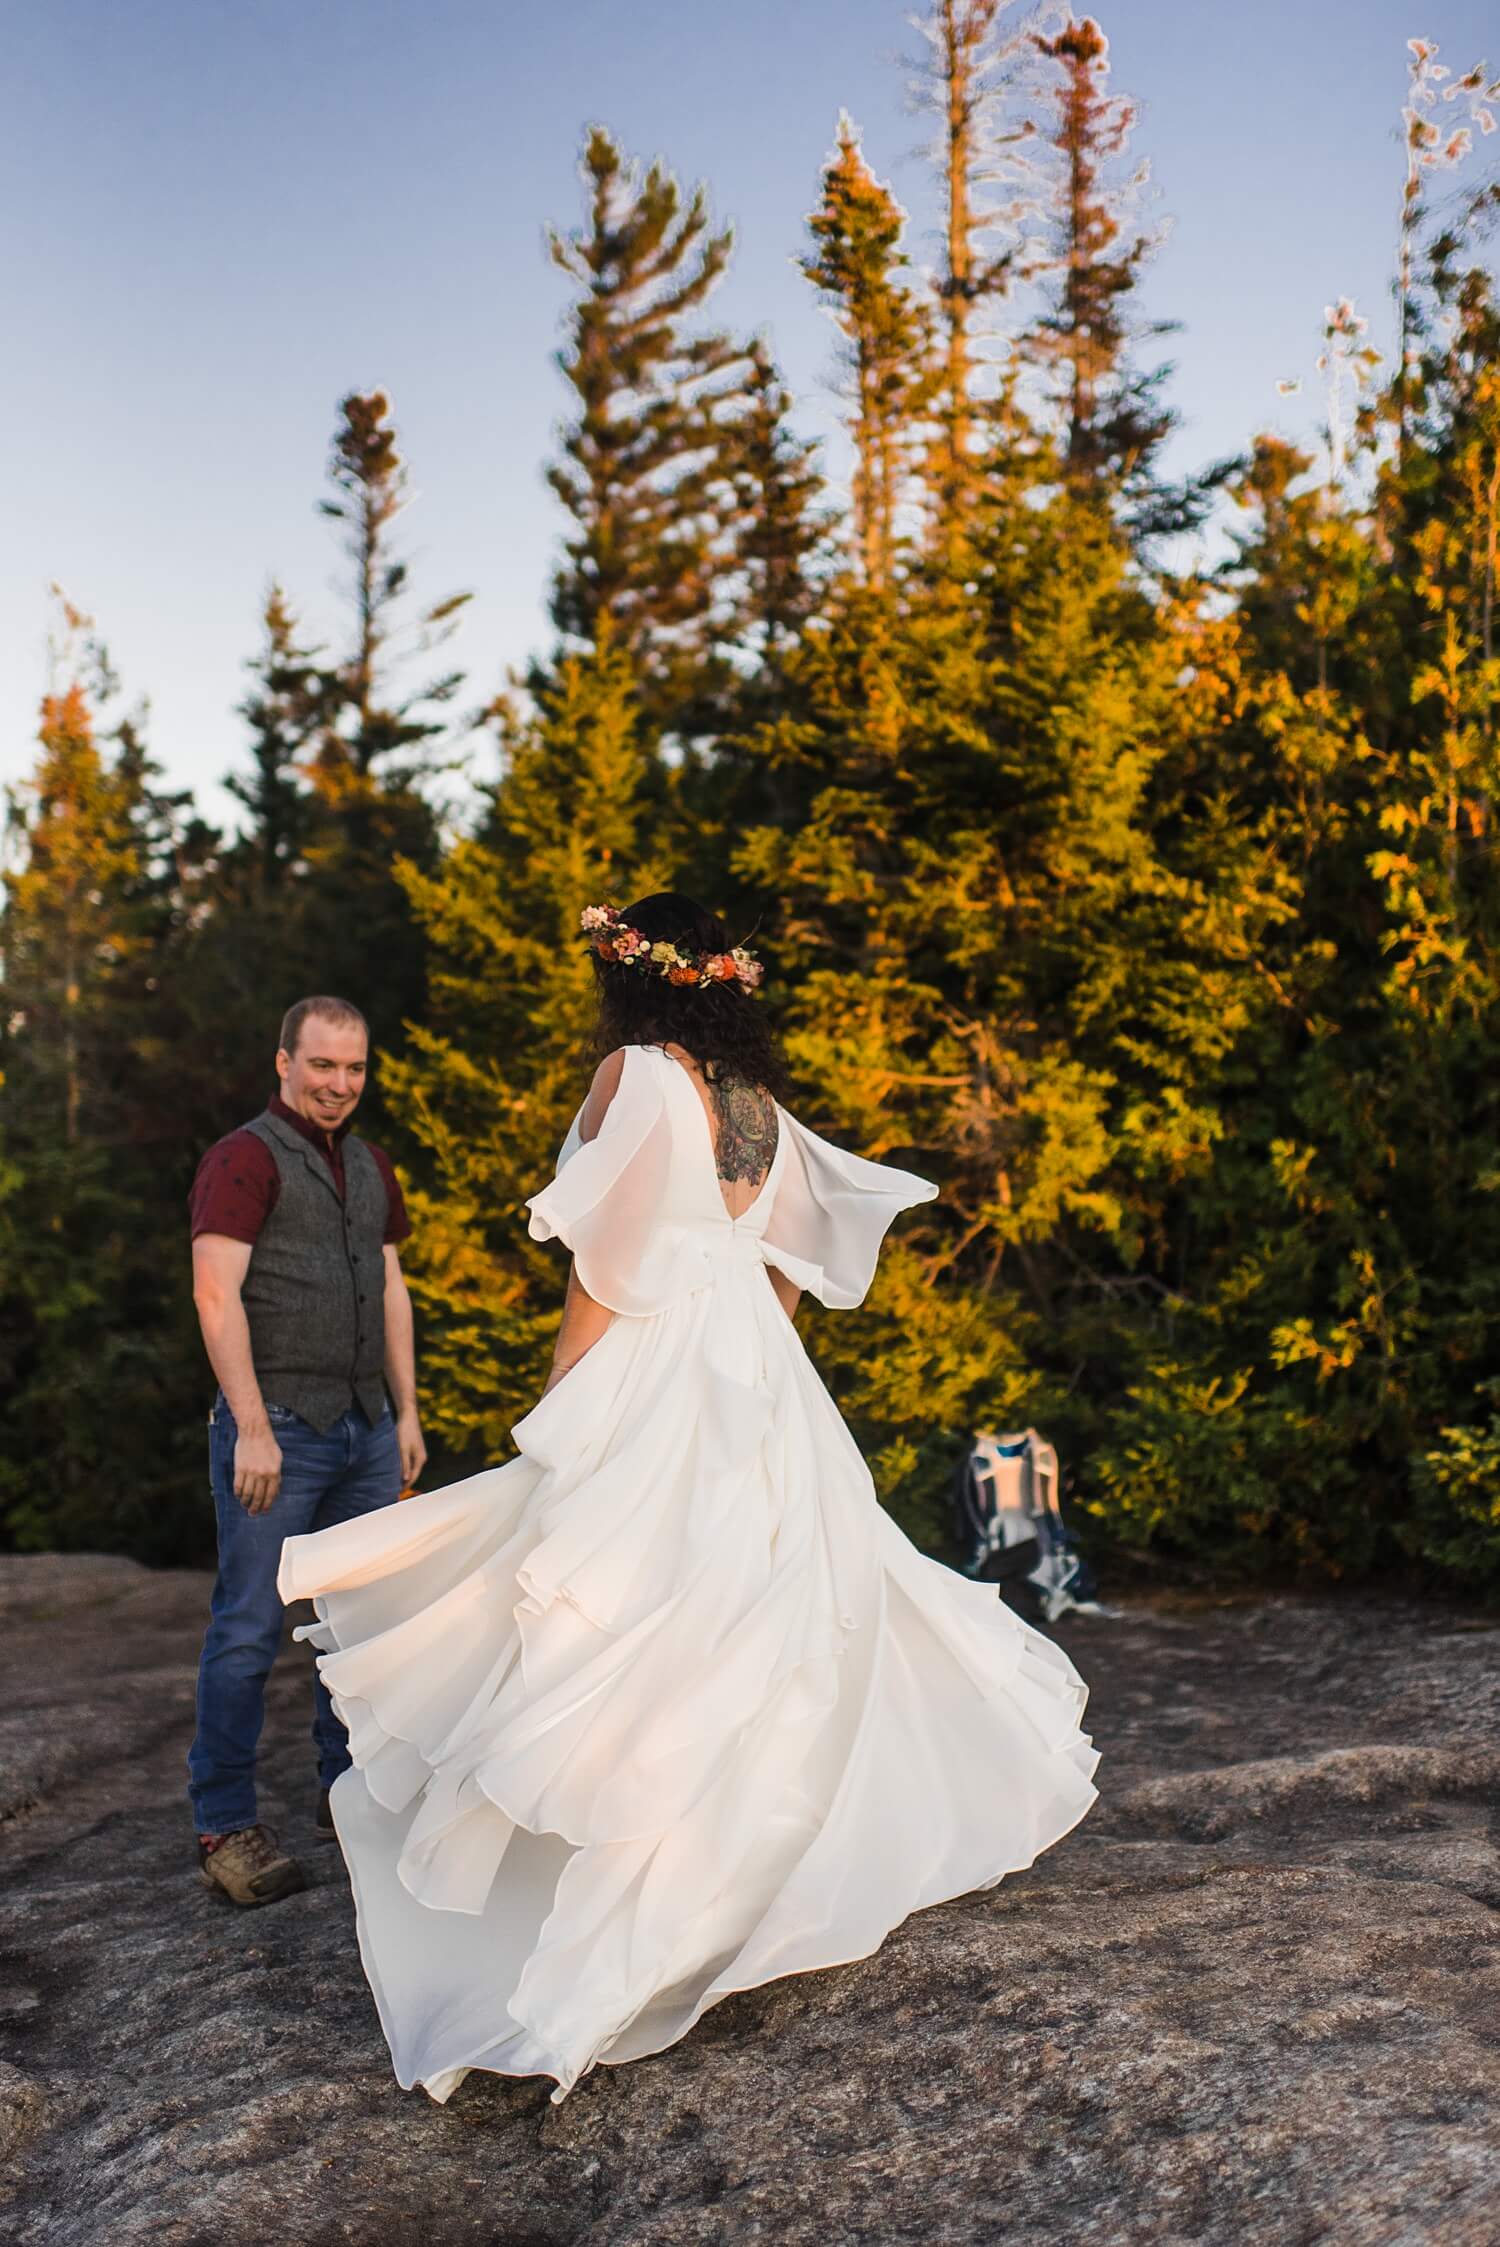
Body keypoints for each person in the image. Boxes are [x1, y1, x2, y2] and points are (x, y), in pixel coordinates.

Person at [277, 899, 1097, 2103]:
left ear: (628, 978)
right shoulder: (754, 1102)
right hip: (754, 1367)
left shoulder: (636, 1074)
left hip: (657, 1353)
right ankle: (742, 1880)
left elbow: (603, 1261)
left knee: (618, 1602)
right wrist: (757, 1357)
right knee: (755, 1610)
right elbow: (797, 1254)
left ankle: (627, 1908)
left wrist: (568, 1398)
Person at [187, 995, 427, 1907]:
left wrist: (405, 1414)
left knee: (359, 1624)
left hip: (367, 1431)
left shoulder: (370, 1164)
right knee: (249, 1627)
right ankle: (224, 1822)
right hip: (277, 1428)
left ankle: (346, 1789)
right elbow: (216, 1295)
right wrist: (249, 1423)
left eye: (354, 1068)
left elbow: (393, 1287)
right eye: (321, 1065)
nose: (338, 1084)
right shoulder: (243, 1158)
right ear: (282, 1061)